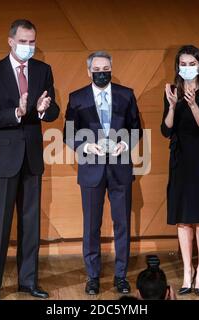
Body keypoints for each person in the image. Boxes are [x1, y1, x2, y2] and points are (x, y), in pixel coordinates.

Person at [0, 19, 59, 300]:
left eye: (32, 42)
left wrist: (41, 110)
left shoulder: (43, 70)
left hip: (32, 158)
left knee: (30, 224)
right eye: (23, 42)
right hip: (3, 160)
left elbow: (53, 110)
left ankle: (28, 281)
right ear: (10, 41)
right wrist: (16, 112)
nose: (28, 47)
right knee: (0, 225)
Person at [63, 51, 142, 295]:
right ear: (89, 71)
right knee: (91, 226)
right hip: (91, 170)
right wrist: (86, 146)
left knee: (122, 225)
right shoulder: (76, 98)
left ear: (111, 68)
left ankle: (120, 277)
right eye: (97, 69)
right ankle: (93, 277)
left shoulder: (126, 94)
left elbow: (136, 128)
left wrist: (125, 145)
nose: (102, 72)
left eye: (106, 68)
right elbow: (68, 133)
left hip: (120, 169)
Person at [161, 45, 199, 296]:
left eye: (191, 63)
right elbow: (166, 130)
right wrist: (172, 106)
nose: (186, 67)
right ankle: (187, 270)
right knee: (183, 219)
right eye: (182, 63)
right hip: (179, 160)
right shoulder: (171, 90)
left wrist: (193, 104)